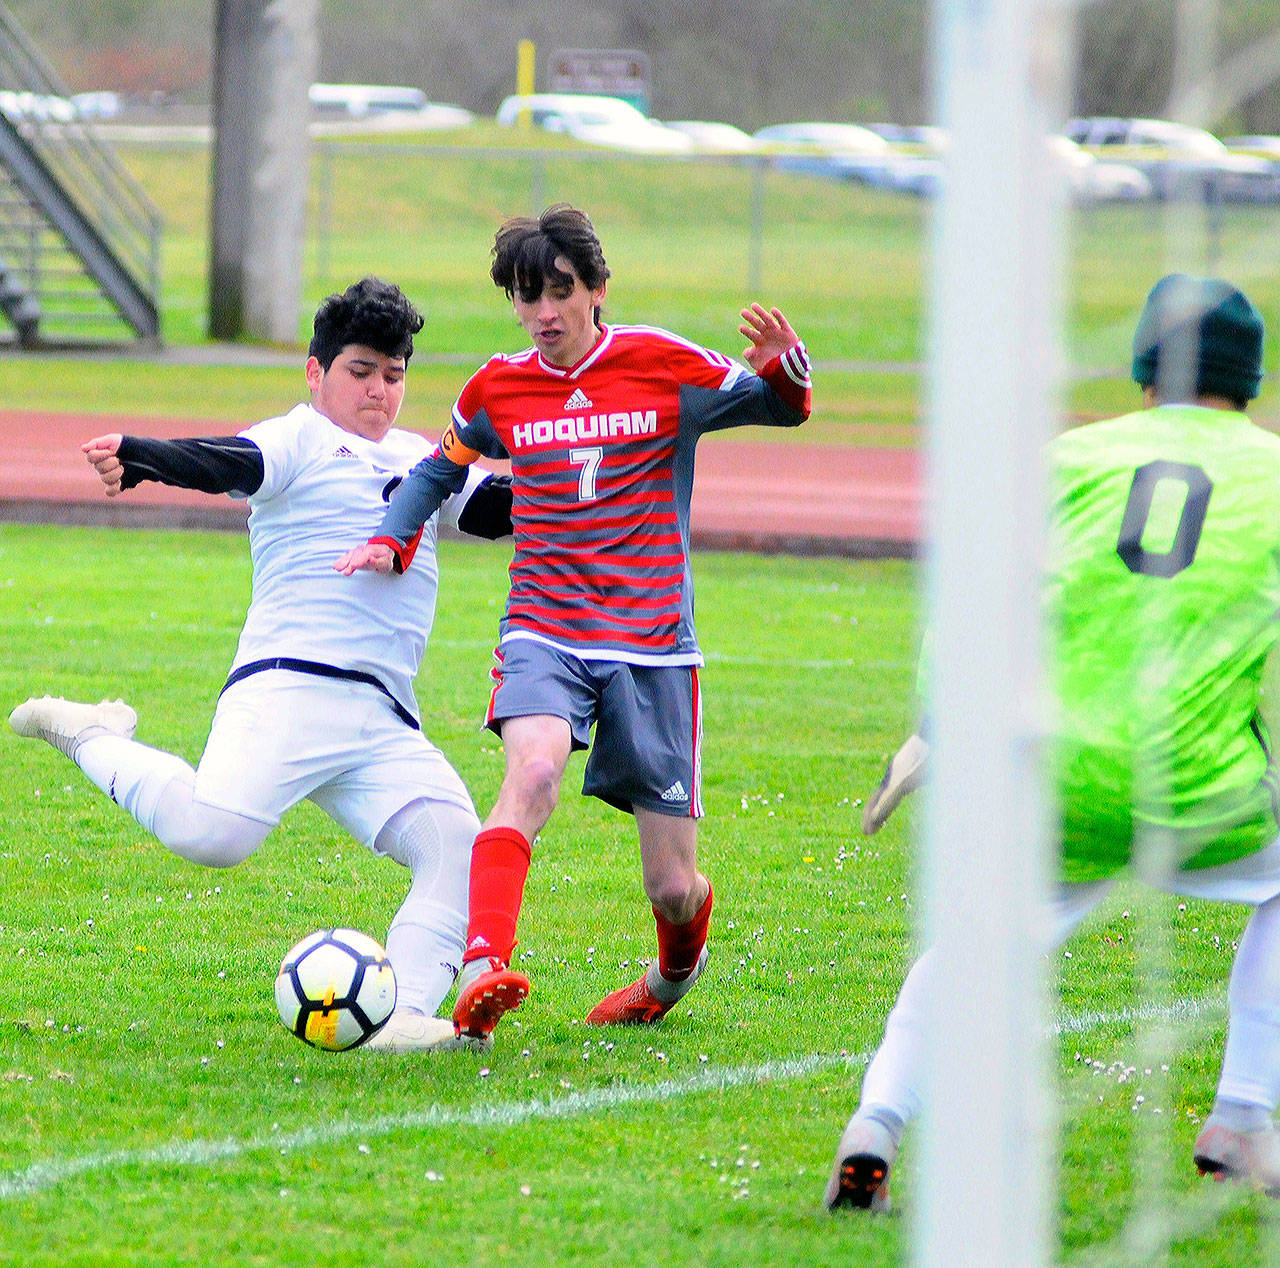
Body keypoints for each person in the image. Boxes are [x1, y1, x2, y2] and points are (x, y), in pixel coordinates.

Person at [828, 274, 1280, 1211]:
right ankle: (1241, 1117)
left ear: (1146, 368)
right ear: (1251, 379)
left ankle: (876, 1122)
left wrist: (935, 728)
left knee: (971, 946)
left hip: (1049, 777)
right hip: (1199, 786)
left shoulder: (1067, 459)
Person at [335, 203, 812, 1047]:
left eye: (560, 292)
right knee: (532, 774)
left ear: (598, 288)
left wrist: (786, 370)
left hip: (652, 645)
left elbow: (781, 408)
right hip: (545, 627)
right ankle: (483, 968)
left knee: (674, 888)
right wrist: (393, 534)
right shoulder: (498, 386)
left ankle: (670, 976)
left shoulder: (662, 364)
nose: (544, 312)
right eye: (528, 297)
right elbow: (439, 469)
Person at [9, 277, 513, 1053]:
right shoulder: (299, 438)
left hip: (382, 717)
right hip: (288, 688)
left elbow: (496, 509)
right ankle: (89, 733)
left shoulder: (424, 458)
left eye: (394, 374)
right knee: (214, 836)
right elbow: (227, 462)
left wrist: (586, 469)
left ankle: (403, 1016)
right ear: (315, 373)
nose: (379, 391)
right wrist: (142, 456)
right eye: (360, 371)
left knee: (457, 848)